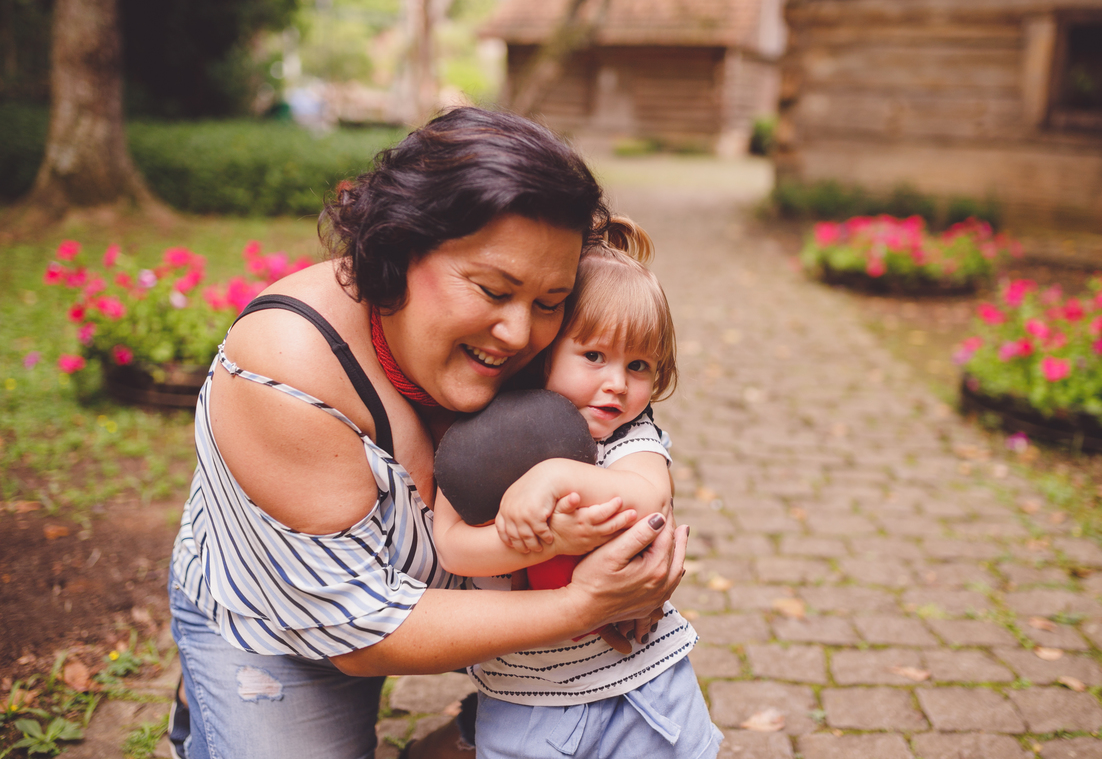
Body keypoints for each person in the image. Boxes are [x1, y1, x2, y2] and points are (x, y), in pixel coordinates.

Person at [166, 107, 687, 759]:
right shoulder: (287, 368)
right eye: (492, 290)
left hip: (468, 583)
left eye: (549, 302)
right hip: (302, 615)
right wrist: (585, 605)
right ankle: (206, 689)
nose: (520, 334)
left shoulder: (550, 326)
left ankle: (474, 734)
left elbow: (630, 431)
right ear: (400, 246)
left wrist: (623, 554)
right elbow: (360, 632)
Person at [431, 218, 723, 759]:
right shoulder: (485, 436)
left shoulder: (629, 438)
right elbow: (452, 545)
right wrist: (548, 542)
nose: (617, 383)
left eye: (639, 366)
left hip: (642, 685)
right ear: (544, 351)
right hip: (526, 697)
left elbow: (649, 496)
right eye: (594, 356)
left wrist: (556, 476)